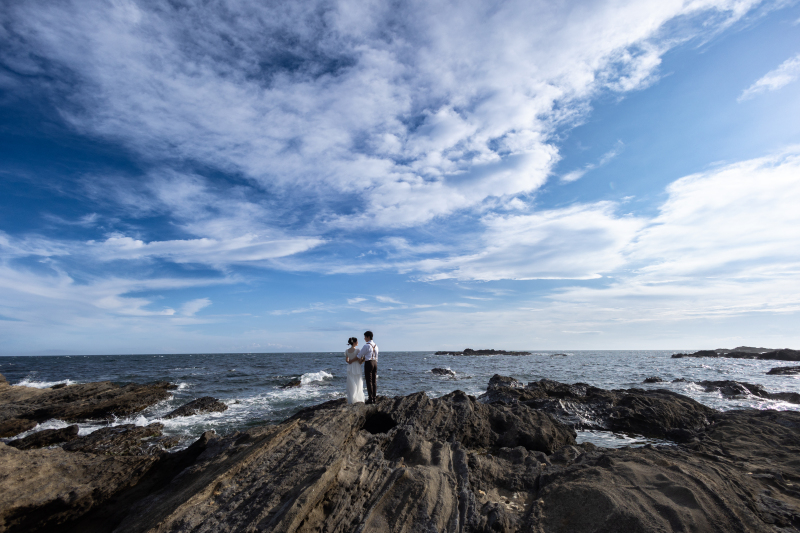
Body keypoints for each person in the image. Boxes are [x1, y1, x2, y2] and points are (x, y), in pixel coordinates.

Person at [359, 330, 379, 404]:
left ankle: (370, 399)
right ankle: (374, 398)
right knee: (374, 381)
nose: (364, 338)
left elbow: (359, 355)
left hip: (369, 363)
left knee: (369, 381)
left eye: (365, 337)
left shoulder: (366, 345)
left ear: (368, 337)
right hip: (375, 363)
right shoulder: (376, 346)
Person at [344, 337, 365, 404]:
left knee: (351, 382)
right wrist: (363, 359)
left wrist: (350, 361)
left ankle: (352, 399)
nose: (358, 342)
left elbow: (347, 360)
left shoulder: (347, 350)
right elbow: (359, 360)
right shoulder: (358, 350)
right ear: (354, 342)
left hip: (350, 367)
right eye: (357, 341)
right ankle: (358, 398)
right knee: (358, 381)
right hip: (356, 367)